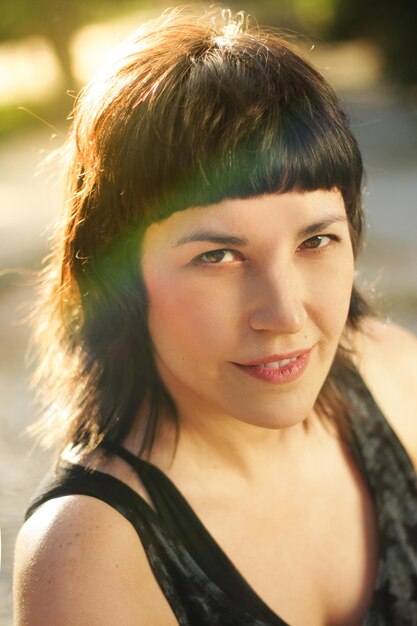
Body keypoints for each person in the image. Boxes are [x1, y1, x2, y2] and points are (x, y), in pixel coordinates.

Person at [13, 7, 417, 625]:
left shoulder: (396, 377)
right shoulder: (89, 554)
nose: (283, 314)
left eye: (316, 241)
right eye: (218, 255)